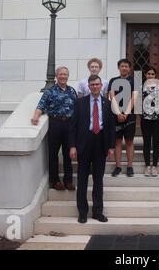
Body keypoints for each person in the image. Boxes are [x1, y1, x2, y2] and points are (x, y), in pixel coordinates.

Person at [69, 75, 116, 223]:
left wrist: (111, 146)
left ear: (101, 85)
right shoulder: (79, 103)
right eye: (92, 85)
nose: (95, 87)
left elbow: (111, 128)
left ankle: (97, 211)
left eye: (97, 84)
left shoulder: (108, 104)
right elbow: (73, 126)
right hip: (84, 143)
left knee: (98, 180)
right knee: (82, 180)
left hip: (101, 142)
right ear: (88, 87)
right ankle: (82, 212)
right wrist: (72, 146)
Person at [31, 66, 77, 191]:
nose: (63, 76)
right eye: (61, 74)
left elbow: (77, 108)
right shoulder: (50, 91)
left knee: (69, 154)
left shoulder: (72, 91)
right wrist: (36, 116)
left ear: (68, 76)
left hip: (69, 125)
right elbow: (41, 105)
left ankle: (68, 181)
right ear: (57, 76)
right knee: (53, 154)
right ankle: (55, 181)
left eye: (65, 74)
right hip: (55, 124)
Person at [108, 59, 138, 177]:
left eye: (126, 66)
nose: (124, 68)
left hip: (129, 115)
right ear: (118, 68)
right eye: (122, 66)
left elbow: (134, 98)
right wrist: (118, 113)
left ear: (129, 68)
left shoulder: (134, 81)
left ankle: (130, 166)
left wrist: (125, 113)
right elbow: (112, 97)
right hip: (116, 115)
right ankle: (118, 166)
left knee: (129, 141)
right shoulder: (113, 81)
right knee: (117, 142)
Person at [141, 66, 159, 177]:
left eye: (152, 74)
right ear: (145, 75)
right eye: (148, 74)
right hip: (145, 120)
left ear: (155, 76)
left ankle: (154, 166)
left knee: (156, 142)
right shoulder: (141, 87)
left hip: (157, 120)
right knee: (146, 142)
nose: (150, 76)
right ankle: (147, 166)